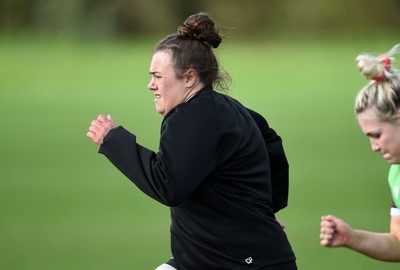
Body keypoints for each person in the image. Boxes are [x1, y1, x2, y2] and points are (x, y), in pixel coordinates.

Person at [87, 12, 296, 269]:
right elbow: (273, 146)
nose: (150, 85)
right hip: (221, 259)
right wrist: (262, 212)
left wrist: (114, 140)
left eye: (157, 76)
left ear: (189, 77)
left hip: (244, 264)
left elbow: (168, 185)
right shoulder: (231, 110)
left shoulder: (190, 116)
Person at [320, 43, 400, 261]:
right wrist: (352, 238)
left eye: (377, 135)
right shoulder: (396, 174)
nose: (374, 147)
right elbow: (399, 242)